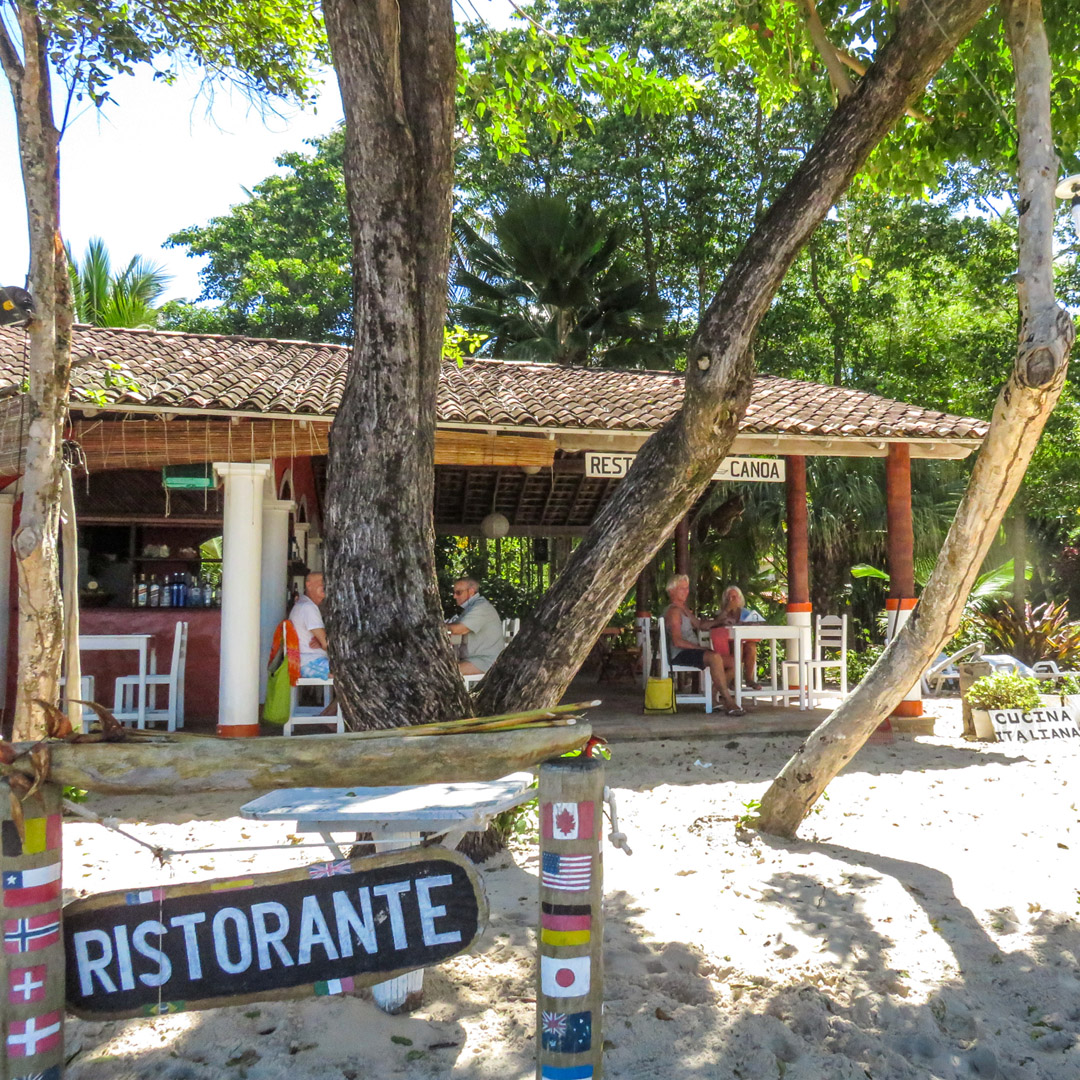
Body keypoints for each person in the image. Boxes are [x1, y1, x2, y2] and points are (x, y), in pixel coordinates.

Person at [663, 574, 744, 716]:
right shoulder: (674, 611)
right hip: (679, 653)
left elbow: (701, 625)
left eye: (687, 588)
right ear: (671, 590)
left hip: (690, 651)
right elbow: (677, 641)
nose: (686, 591)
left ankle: (713, 694)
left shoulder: (683, 609)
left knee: (734, 662)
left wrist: (720, 621)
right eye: (682, 588)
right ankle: (728, 701)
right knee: (714, 657)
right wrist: (701, 648)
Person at [446, 578, 504, 675]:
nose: (455, 596)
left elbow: (458, 629)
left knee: (445, 673)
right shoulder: (471, 608)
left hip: (485, 661)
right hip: (474, 659)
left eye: (458, 592)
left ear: (471, 592)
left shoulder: (480, 608)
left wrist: (436, 626)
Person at [717, 584, 762, 691]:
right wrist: (727, 610)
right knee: (738, 645)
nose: (732, 599)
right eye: (730, 597)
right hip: (726, 646)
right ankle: (734, 680)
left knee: (751, 646)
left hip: (743, 645)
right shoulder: (722, 613)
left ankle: (749, 679)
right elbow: (717, 623)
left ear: (740, 598)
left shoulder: (746, 613)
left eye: (735, 597)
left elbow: (757, 623)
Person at [289, 571, 329, 679]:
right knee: (351, 674)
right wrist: (324, 643)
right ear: (308, 585)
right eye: (321, 581)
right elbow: (326, 643)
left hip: (311, 660)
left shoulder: (305, 604)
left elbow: (324, 641)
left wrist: (322, 642)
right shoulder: (308, 607)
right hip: (310, 663)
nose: (325, 585)